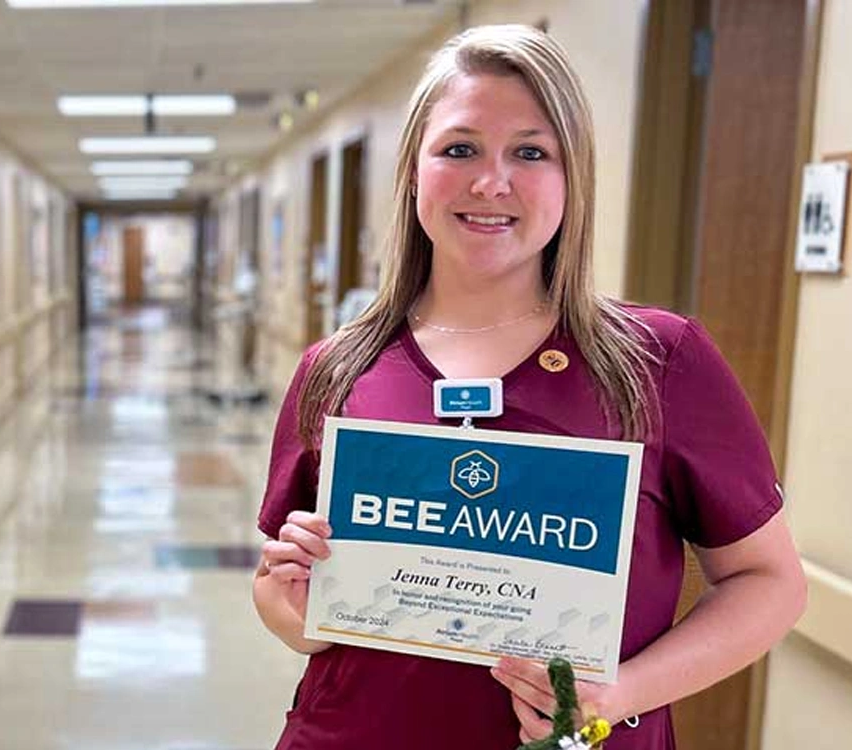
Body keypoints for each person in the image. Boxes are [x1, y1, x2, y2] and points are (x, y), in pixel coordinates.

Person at [252, 24, 807, 749]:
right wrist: (286, 598)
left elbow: (770, 583)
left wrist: (619, 693)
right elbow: (288, 598)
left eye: (530, 152)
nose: (491, 182)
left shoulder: (655, 361)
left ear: (571, 177)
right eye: (459, 149)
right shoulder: (339, 367)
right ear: (415, 171)